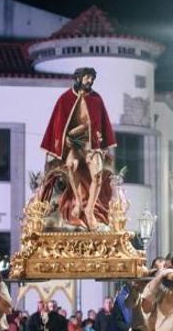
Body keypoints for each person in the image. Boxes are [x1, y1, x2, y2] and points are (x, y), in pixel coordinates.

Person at [39, 67, 117, 230]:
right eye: (87, 77)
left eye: (92, 78)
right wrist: (60, 143)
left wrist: (101, 146)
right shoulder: (65, 99)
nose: (90, 81)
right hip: (73, 144)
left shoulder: (96, 99)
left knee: (97, 175)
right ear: (78, 78)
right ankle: (79, 201)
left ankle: (89, 208)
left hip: (91, 143)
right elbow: (57, 124)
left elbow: (103, 123)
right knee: (71, 166)